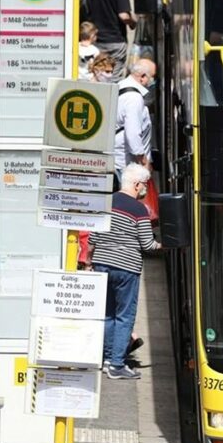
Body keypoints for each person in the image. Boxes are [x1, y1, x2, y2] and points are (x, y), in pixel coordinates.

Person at [88, 164, 161, 379]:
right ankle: (117, 365)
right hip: (126, 267)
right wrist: (163, 244)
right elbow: (147, 244)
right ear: (137, 185)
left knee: (107, 314)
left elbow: (93, 237)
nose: (145, 190)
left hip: (102, 263)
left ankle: (107, 358)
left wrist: (90, 260)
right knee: (124, 316)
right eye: (144, 185)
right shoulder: (139, 210)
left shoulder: (107, 202)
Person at [114, 58, 156, 176]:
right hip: (126, 165)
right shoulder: (134, 98)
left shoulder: (120, 86)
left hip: (120, 161)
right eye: (152, 77)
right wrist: (143, 162)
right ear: (142, 77)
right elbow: (132, 134)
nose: (152, 82)